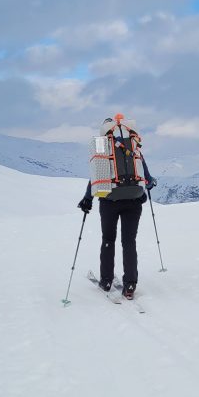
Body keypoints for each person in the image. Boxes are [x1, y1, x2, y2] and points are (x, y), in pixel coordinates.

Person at [78, 116, 157, 299]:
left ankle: (106, 281)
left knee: (108, 239)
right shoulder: (133, 144)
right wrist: (150, 185)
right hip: (134, 200)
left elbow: (97, 175)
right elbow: (146, 176)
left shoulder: (103, 147)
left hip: (109, 201)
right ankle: (130, 285)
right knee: (129, 242)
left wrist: (87, 199)